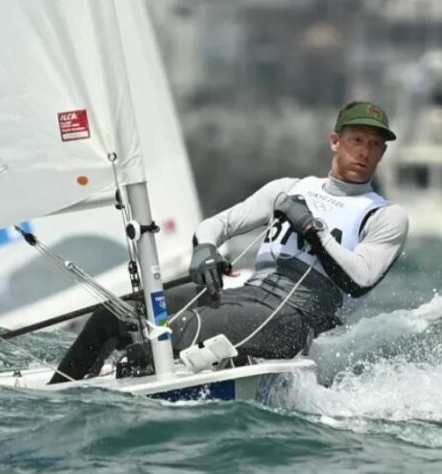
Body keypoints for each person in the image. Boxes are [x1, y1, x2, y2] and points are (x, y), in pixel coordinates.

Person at [49, 101, 409, 384]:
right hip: (246, 297)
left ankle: (145, 382)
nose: (364, 152)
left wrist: (311, 229)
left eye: (374, 145)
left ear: (382, 153)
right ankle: (58, 397)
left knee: (170, 336)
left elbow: (359, 279)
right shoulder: (288, 188)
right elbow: (217, 224)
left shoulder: (385, 216)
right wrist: (206, 248)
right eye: (356, 141)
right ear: (335, 141)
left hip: (295, 319)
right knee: (116, 313)